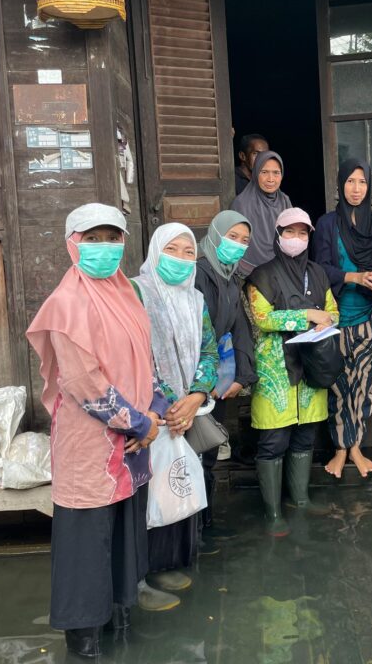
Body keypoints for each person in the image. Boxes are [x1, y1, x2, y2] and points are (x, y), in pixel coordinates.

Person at [25, 203, 177, 659]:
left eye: (113, 238)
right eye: (92, 239)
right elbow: (83, 384)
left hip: (132, 439)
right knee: (86, 539)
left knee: (123, 532)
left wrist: (154, 410)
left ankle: (119, 612)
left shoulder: (126, 293)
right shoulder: (66, 305)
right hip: (92, 442)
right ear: (72, 243)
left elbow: (146, 362)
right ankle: (83, 636)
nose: (104, 248)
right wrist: (141, 422)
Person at [131, 223, 219, 604]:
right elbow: (135, 357)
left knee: (179, 485)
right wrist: (168, 405)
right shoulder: (135, 292)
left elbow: (210, 351)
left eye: (189, 252)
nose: (182, 258)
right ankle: (142, 573)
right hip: (150, 414)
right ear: (154, 251)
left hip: (187, 410)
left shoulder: (196, 299)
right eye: (173, 249)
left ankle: (169, 565)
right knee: (148, 492)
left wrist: (197, 395)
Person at [247, 208, 339, 537]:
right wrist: (306, 316)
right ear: (277, 236)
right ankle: (273, 513)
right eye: (289, 232)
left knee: (304, 437)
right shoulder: (261, 275)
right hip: (276, 368)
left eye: (302, 233)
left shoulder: (317, 273)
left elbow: (332, 312)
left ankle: (300, 499)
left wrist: (322, 318)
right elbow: (263, 318)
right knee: (273, 441)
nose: (296, 239)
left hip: (311, 364)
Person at [312, 159, 372, 478]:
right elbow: (320, 269)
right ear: (340, 185)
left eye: (362, 182)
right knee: (339, 387)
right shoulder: (328, 223)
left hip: (368, 320)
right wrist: (352, 277)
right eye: (350, 182)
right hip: (336, 320)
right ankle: (340, 449)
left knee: (363, 387)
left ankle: (356, 446)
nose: (356, 189)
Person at [194, 210, 258, 543]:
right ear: (216, 234)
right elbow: (196, 334)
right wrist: (201, 385)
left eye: (244, 240)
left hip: (215, 383)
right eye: (232, 237)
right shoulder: (200, 273)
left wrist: (242, 376)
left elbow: (240, 330)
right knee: (192, 455)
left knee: (207, 452)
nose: (238, 245)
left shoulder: (230, 278)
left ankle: (205, 525)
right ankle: (192, 530)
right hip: (192, 383)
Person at [232, 150, 293, 278]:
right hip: (249, 274)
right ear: (255, 174)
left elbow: (292, 235)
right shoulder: (242, 204)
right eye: (264, 172)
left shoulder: (285, 201)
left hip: (282, 271)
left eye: (276, 173)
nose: (271, 179)